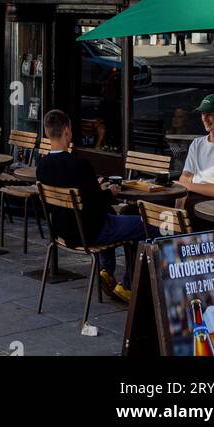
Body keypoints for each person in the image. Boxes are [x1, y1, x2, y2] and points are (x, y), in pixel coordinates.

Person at [36, 108, 144, 303]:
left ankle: (106, 271)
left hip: (62, 232)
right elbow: (97, 202)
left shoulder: (41, 166)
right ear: (67, 131)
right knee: (143, 225)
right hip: (90, 233)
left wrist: (99, 190)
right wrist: (110, 192)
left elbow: (89, 199)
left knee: (112, 213)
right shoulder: (80, 165)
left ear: (46, 133)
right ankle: (128, 286)